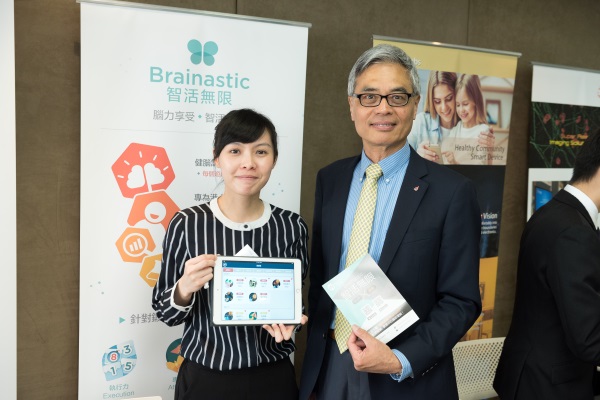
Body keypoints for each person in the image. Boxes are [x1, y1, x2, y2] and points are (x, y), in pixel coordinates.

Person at [298, 44, 482, 400]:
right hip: (329, 366)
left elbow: (461, 300)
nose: (383, 107)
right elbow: (323, 275)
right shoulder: (330, 179)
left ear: (415, 105)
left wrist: (401, 359)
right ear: (352, 105)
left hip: (405, 377)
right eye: (369, 96)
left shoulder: (452, 192)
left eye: (397, 96)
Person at [152, 108, 309, 399]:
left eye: (261, 152)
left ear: (274, 159)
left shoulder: (291, 226)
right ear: (217, 158)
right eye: (235, 151)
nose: (248, 163)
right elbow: (165, 311)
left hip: (273, 377)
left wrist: (292, 318)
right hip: (206, 379)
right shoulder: (188, 223)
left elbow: (297, 301)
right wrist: (184, 289)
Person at [493, 129, 600, 400]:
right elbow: (588, 340)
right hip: (549, 385)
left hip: (531, 377)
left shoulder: (552, 213)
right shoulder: (573, 232)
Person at [408, 70, 495, 164]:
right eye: (437, 101)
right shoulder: (421, 122)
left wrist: (490, 151)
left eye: (449, 98)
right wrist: (417, 155)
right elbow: (399, 161)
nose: (444, 108)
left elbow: (483, 169)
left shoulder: (465, 127)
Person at [442, 74, 494, 165]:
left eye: (465, 104)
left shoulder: (483, 132)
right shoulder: (456, 129)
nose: (461, 110)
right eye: (458, 105)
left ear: (476, 101)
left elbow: (479, 168)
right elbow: (443, 154)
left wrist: (454, 163)